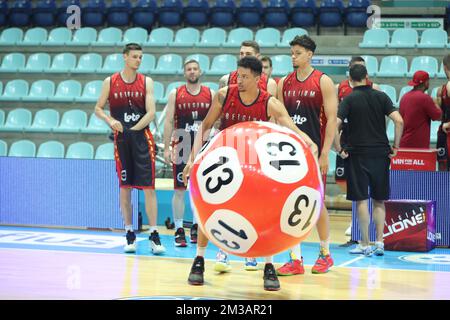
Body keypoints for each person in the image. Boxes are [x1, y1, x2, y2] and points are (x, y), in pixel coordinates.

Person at [182, 56, 318, 291]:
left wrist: (309, 143)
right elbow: (204, 126)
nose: (240, 80)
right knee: (208, 205)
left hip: (256, 165)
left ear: (258, 78)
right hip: (224, 159)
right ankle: (199, 260)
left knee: (266, 209)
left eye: (245, 77)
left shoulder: (269, 102)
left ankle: (268, 265)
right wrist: (191, 159)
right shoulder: (224, 95)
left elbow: (291, 128)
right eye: (238, 75)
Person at [94, 43, 165, 255]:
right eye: (135, 56)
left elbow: (151, 112)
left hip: (142, 137)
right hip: (121, 139)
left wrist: (133, 129)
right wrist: (110, 120)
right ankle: (129, 232)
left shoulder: (146, 82)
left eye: (141, 57)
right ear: (125, 57)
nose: (138, 60)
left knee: (149, 187)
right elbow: (97, 108)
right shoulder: (110, 82)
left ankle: (154, 234)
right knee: (124, 187)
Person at [276, 35, 338, 275]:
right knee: (289, 205)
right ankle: (295, 258)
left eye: (298, 52)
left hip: (314, 152)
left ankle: (325, 253)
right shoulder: (283, 83)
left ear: (310, 54)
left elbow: (332, 120)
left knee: (317, 203)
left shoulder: (323, 81)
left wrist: (325, 153)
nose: (293, 56)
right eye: (292, 53)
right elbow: (280, 118)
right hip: (290, 154)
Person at [215, 41, 277, 271]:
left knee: (252, 205)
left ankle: (251, 252)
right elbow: (214, 121)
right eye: (240, 54)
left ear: (258, 58)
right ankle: (223, 250)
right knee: (226, 203)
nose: (242, 56)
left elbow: (277, 124)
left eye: (247, 54)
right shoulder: (225, 83)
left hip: (255, 155)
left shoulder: (270, 87)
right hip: (229, 152)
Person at [335, 64, 404, 256]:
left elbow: (335, 125)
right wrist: (396, 147)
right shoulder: (381, 96)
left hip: (356, 155)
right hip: (380, 154)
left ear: (350, 80)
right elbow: (399, 120)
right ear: (367, 77)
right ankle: (380, 242)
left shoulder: (348, 100)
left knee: (361, 200)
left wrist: (339, 149)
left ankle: (364, 244)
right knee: (379, 200)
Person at [163, 59, 214, 247]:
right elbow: (168, 122)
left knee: (199, 190)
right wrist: (167, 147)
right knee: (179, 189)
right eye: (189, 69)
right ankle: (178, 229)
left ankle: (195, 227)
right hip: (181, 143)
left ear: (200, 71)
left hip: (202, 147)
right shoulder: (175, 94)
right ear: (185, 73)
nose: (192, 72)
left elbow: (215, 122)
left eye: (195, 69)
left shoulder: (211, 94)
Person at [337, 56, 381, 237]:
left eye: (362, 67)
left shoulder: (374, 88)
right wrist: (336, 141)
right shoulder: (339, 87)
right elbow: (336, 114)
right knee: (345, 181)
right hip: (347, 138)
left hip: (367, 140)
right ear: (350, 70)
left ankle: (362, 227)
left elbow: (380, 116)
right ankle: (355, 219)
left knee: (370, 187)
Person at [399, 70, 442, 148]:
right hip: (419, 146)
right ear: (426, 83)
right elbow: (438, 116)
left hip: (404, 144)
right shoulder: (425, 98)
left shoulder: (404, 97)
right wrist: (436, 102)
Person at [437, 54, 450, 171]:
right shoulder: (442, 90)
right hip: (444, 133)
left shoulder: (444, 88)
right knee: (443, 164)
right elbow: (439, 114)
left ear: (445, 67)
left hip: (447, 130)